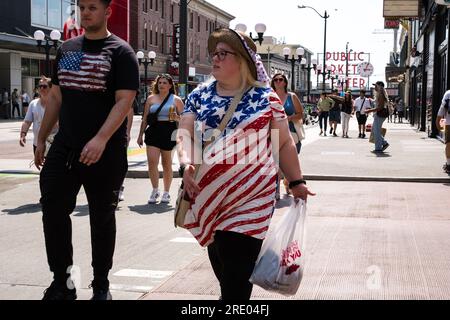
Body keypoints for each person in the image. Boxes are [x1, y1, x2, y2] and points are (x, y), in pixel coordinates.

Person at [177, 28, 315, 300]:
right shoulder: (199, 95)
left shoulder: (266, 98)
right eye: (214, 54)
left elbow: (284, 144)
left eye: (223, 54)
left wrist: (296, 181)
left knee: (236, 277)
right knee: (225, 268)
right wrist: (186, 164)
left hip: (251, 199)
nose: (215, 59)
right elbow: (184, 134)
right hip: (209, 199)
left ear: (242, 60)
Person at [34, 0, 139, 300]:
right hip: (66, 146)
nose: (86, 12)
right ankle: (62, 281)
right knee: (52, 207)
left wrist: (101, 139)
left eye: (93, 7)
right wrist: (42, 138)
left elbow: (124, 101)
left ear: (108, 11)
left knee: (101, 217)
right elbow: (56, 97)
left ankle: (101, 284)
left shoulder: (121, 52)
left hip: (105, 151)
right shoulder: (67, 49)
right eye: (82, 7)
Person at [137, 74, 184, 204]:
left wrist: (177, 118)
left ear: (170, 85)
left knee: (166, 164)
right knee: (152, 162)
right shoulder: (151, 99)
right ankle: (155, 189)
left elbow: (185, 119)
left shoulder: (176, 100)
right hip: (153, 131)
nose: (161, 85)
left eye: (164, 83)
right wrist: (140, 134)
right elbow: (145, 118)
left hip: (169, 131)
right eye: (159, 83)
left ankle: (166, 192)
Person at [270, 73, 305, 198]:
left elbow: (301, 114)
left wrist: (288, 118)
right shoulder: (269, 97)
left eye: (281, 80)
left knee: (288, 164)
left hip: (292, 134)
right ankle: (277, 189)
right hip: (274, 134)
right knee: (276, 163)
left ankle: (287, 182)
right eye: (275, 80)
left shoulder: (292, 96)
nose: (278, 82)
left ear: (285, 82)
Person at [19, 76, 58, 154]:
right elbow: (27, 121)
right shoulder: (33, 103)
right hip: (37, 144)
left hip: (53, 144)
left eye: (44, 86)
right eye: (40, 86)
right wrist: (23, 135)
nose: (41, 88)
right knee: (40, 166)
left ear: (51, 88)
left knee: (50, 166)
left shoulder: (57, 104)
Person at [366, 81, 390, 152]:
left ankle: (378, 147)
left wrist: (369, 111)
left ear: (380, 87)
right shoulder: (379, 94)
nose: (375, 87)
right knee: (375, 130)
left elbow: (380, 107)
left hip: (380, 115)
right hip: (378, 114)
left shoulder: (381, 95)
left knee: (376, 131)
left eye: (376, 86)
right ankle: (384, 143)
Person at [436, 90, 450, 174]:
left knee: (449, 143)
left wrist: (438, 123)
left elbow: (442, 110)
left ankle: (449, 165)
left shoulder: (448, 93)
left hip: (449, 123)